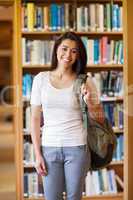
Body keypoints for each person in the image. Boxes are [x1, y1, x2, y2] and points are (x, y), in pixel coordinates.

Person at [30, 31, 105, 200]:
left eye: (74, 51)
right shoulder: (40, 80)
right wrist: (37, 154)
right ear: (56, 49)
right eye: (64, 48)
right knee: (52, 197)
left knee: (74, 197)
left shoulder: (85, 81)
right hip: (49, 148)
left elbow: (100, 119)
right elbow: (34, 119)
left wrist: (90, 102)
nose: (68, 55)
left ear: (78, 55)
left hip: (77, 148)